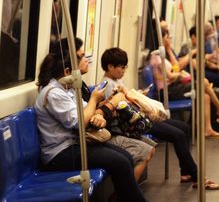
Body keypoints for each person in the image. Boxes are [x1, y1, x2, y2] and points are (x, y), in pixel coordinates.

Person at [34, 46, 147, 202]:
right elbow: (79, 121)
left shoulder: (67, 89)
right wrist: (94, 99)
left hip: (74, 144)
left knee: (126, 156)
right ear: (67, 73)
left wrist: (97, 117)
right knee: (119, 162)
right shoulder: (52, 94)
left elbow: (88, 111)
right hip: (59, 152)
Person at [99, 47, 219, 190]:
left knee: (184, 128)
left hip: (138, 117)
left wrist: (137, 96)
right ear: (110, 66)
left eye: (125, 67)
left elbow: (127, 101)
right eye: (121, 67)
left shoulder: (117, 80)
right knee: (178, 135)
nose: (124, 70)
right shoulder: (107, 85)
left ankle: (185, 173)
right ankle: (196, 176)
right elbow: (119, 109)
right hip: (132, 123)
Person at [53, 38, 155, 182]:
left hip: (98, 130)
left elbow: (92, 112)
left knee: (145, 147)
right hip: (87, 138)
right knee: (128, 157)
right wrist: (108, 104)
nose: (86, 59)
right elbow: (82, 119)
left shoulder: (77, 86)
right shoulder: (57, 93)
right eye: (81, 56)